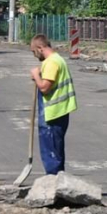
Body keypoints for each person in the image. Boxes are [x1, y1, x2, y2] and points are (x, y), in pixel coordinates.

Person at [29, 34, 78, 175]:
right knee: (57, 150)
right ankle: (59, 182)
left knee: (51, 152)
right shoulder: (58, 59)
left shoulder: (51, 62)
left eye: (34, 51)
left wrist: (36, 75)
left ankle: (53, 182)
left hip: (53, 114)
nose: (34, 55)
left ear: (40, 47)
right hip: (60, 111)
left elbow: (44, 88)